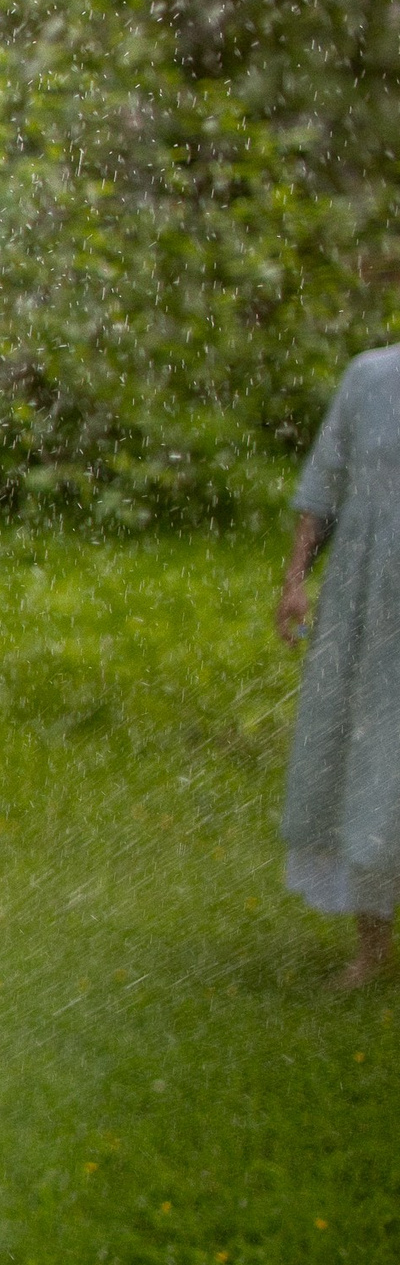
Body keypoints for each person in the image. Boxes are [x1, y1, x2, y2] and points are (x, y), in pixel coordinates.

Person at [276, 347, 400, 988]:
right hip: (369, 596)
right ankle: (372, 950)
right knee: (368, 756)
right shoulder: (370, 376)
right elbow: (324, 483)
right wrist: (296, 580)